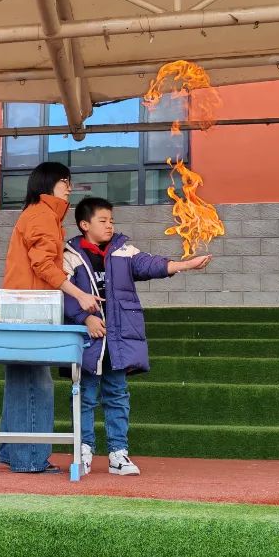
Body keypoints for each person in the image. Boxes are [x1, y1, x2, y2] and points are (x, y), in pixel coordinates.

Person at [63, 197, 211, 476]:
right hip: (87, 340)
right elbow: (64, 295)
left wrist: (185, 265)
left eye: (111, 220)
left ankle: (118, 454)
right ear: (84, 225)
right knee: (84, 396)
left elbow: (150, 264)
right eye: (103, 221)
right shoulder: (70, 256)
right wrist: (86, 319)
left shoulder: (124, 250)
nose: (109, 225)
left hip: (118, 340)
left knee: (117, 395)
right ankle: (82, 450)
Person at [0, 162, 101, 473]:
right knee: (36, 383)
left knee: (21, 381)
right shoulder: (43, 216)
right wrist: (79, 294)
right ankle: (30, 458)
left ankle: (13, 452)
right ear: (49, 183)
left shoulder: (36, 215)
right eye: (65, 182)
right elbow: (43, 265)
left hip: (21, 308)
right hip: (32, 311)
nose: (69, 188)